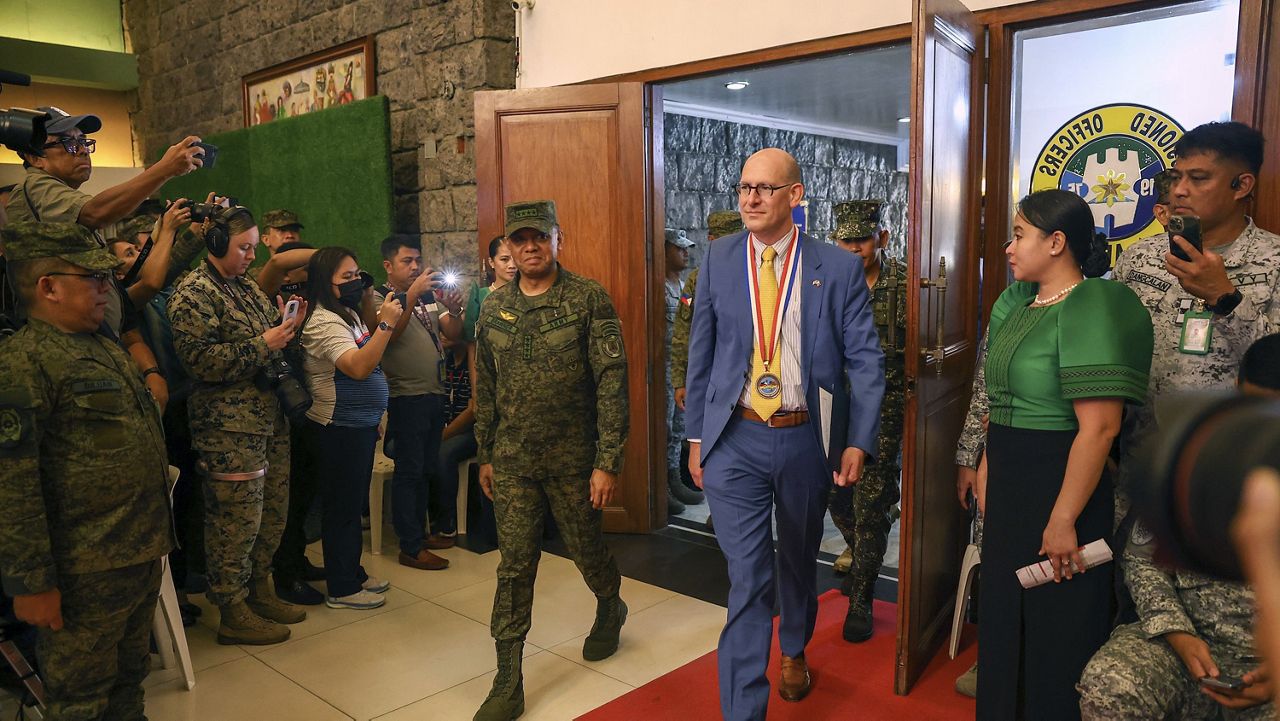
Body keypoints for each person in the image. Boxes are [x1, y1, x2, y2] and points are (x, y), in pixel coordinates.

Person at [685, 148, 885, 719]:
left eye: (764, 188)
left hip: (804, 438)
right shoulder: (719, 259)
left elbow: (866, 362)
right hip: (734, 438)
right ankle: (744, 710)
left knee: (797, 554)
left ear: (795, 197)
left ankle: (793, 647)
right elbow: (701, 356)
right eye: (744, 186)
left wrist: (858, 439)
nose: (749, 198)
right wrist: (696, 439)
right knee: (748, 576)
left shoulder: (836, 267)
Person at [974, 189, 1154, 720]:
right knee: (1006, 609)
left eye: (1019, 235)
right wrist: (987, 464)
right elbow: (996, 402)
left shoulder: (1095, 304)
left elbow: (1099, 429)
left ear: (1057, 243)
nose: (1009, 247)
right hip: (1010, 474)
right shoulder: (1016, 303)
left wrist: (1063, 517)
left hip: (1062, 478)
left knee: (1057, 616)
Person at [0, 221, 173, 718]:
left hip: (136, 552)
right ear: (47, 286)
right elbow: (14, 486)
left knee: (128, 682)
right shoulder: (22, 363)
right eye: (94, 278)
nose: (107, 288)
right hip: (82, 569)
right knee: (81, 699)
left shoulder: (100, 345)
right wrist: (30, 583)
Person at [472, 200, 629, 721]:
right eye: (520, 240)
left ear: (558, 237)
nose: (530, 247)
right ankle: (507, 680)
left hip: (573, 459)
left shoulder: (587, 299)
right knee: (515, 566)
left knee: (586, 549)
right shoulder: (494, 307)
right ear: (508, 249)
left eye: (540, 237)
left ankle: (610, 602)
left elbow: (612, 383)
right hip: (514, 460)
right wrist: (486, 453)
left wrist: (607, 460)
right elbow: (486, 386)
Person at [1076, 334, 1280, 720]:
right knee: (1110, 685)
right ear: (1237, 391)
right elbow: (1142, 558)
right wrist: (1177, 632)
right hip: (1184, 641)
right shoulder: (1195, 460)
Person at [167, 206, 309, 645]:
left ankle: (259, 589)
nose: (252, 255)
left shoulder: (245, 286)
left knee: (271, 512)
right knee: (234, 520)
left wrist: (287, 327)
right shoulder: (193, 293)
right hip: (228, 428)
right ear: (215, 244)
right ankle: (231, 607)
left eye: (253, 246)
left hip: (268, 419)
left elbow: (270, 342)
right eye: (244, 247)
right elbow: (200, 362)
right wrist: (262, 343)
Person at [300, 246, 398, 610]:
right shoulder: (323, 321)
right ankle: (341, 588)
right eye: (347, 277)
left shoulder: (347, 314)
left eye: (358, 274)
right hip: (336, 427)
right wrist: (386, 324)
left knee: (352, 505)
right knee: (341, 508)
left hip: (358, 425)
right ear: (326, 284)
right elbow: (357, 367)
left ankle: (352, 571)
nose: (357, 281)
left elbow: (369, 353)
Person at [827, 199, 907, 643]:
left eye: (863, 240)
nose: (854, 249)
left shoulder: (905, 284)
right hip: (836, 406)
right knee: (836, 498)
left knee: (869, 504)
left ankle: (862, 596)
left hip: (886, 408)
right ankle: (862, 556)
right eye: (846, 240)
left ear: (882, 238)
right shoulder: (829, 283)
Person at [373, 234, 464, 568]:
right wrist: (409, 295)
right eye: (406, 262)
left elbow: (452, 333)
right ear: (388, 266)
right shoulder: (380, 298)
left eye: (417, 261)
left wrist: (455, 310)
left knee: (425, 468)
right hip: (406, 398)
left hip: (434, 395)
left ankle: (419, 533)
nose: (414, 267)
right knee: (409, 471)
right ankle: (409, 547)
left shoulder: (428, 299)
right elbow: (389, 334)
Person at [663, 228, 703, 514]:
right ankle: (661, 485)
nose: (685, 253)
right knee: (664, 429)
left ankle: (674, 478)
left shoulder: (683, 285)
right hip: (663, 367)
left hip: (683, 368)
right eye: (679, 248)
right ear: (664, 251)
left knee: (678, 428)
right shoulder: (659, 285)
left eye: (686, 248)